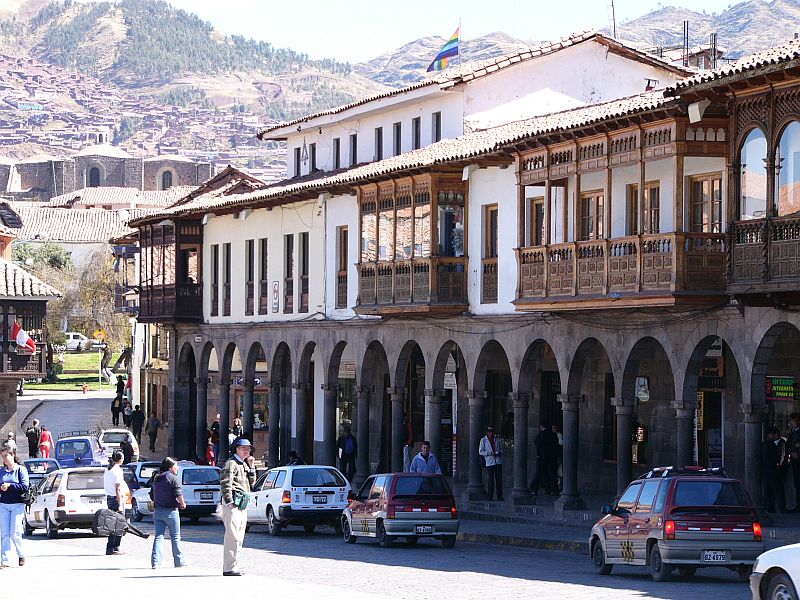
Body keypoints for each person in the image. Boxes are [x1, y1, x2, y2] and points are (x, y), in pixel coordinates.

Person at [220, 438, 255, 576]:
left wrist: (251, 466)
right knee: (232, 536)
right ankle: (229, 568)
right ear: (236, 449)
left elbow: (252, 483)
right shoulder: (231, 464)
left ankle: (233, 565)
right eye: (243, 448)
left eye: (248, 448)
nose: (247, 450)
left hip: (242, 503)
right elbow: (225, 483)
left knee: (239, 537)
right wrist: (229, 502)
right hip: (233, 503)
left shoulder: (243, 464)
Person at [150, 457, 187, 569]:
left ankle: (156, 562)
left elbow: (152, 495)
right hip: (171, 511)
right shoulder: (173, 478)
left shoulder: (156, 477)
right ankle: (179, 561)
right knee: (175, 537)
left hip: (157, 511)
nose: (178, 468)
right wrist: (182, 504)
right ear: (171, 467)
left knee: (159, 536)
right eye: (176, 465)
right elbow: (178, 494)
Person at [0, 440, 28, 567]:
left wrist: (10, 485)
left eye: (6, 455)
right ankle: (4, 560)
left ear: (12, 455)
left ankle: (21, 555)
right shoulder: (2, 471)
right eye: (2, 456)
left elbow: (24, 486)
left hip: (17, 504)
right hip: (4, 504)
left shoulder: (20, 470)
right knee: (4, 533)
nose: (4, 458)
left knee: (15, 532)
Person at [103, 450, 128, 556]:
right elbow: (118, 488)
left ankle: (111, 547)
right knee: (118, 525)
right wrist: (120, 504)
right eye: (122, 457)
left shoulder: (108, 469)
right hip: (115, 499)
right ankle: (114, 547)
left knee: (113, 524)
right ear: (120, 459)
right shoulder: (117, 470)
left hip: (109, 498)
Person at [529, 423, 559, 496]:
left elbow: (537, 443)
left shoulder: (541, 434)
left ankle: (534, 489)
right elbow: (556, 444)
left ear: (541, 426)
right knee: (551, 473)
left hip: (542, 457)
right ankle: (554, 490)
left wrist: (538, 454)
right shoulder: (553, 434)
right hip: (551, 457)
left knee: (539, 473)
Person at [763, 426, 787, 513]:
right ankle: (780, 508)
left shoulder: (765, 443)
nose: (774, 436)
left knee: (768, 490)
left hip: (767, 470)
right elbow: (774, 457)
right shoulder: (770, 444)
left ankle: (770, 507)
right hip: (771, 470)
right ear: (770, 434)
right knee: (778, 489)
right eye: (773, 434)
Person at [479, 425, 504, 501]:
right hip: (490, 462)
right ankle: (490, 496)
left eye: (491, 432)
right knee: (490, 481)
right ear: (487, 432)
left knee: (499, 480)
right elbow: (481, 451)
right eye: (489, 432)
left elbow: (501, 449)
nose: (490, 433)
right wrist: (490, 453)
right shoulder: (483, 440)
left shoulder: (497, 440)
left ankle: (499, 496)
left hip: (498, 462)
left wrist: (499, 453)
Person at [787, 413, 800, 512]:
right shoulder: (791, 433)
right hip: (795, 462)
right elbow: (788, 447)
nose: (794, 422)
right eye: (792, 420)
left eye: (795, 420)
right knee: (797, 483)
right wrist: (792, 453)